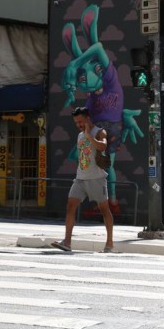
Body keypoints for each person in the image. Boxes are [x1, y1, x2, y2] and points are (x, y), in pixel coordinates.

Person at [52, 106, 114, 253]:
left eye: (80, 121)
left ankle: (110, 244)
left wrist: (89, 136)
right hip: (80, 178)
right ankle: (67, 242)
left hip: (97, 179)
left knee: (104, 209)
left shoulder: (99, 132)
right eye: (76, 123)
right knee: (70, 205)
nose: (79, 125)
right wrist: (84, 135)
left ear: (87, 118)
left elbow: (103, 146)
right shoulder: (80, 135)